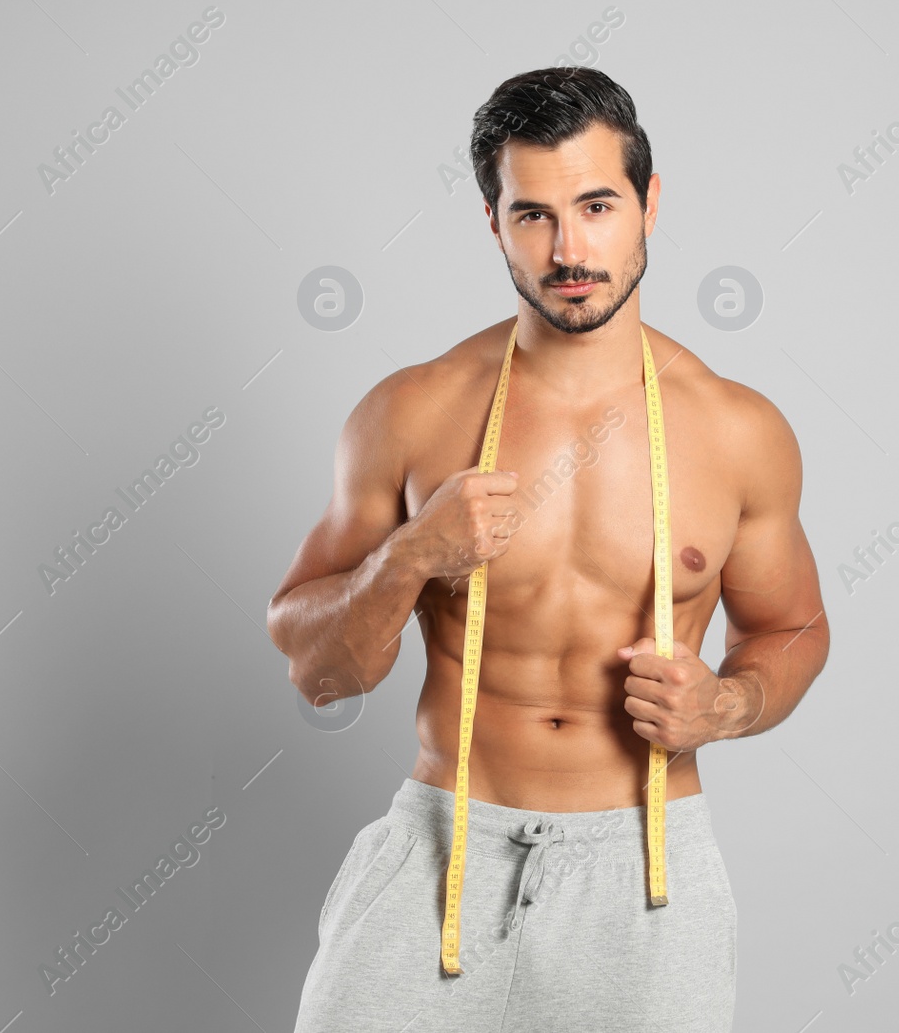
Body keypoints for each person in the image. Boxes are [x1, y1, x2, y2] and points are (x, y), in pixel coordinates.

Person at [269, 65, 829, 1033]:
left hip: (646, 865)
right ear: (493, 222)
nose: (569, 248)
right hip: (443, 846)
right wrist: (408, 555)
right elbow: (320, 677)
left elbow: (793, 626)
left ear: (649, 204)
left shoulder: (737, 431)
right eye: (532, 215)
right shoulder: (411, 412)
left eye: (597, 205)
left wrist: (728, 701)